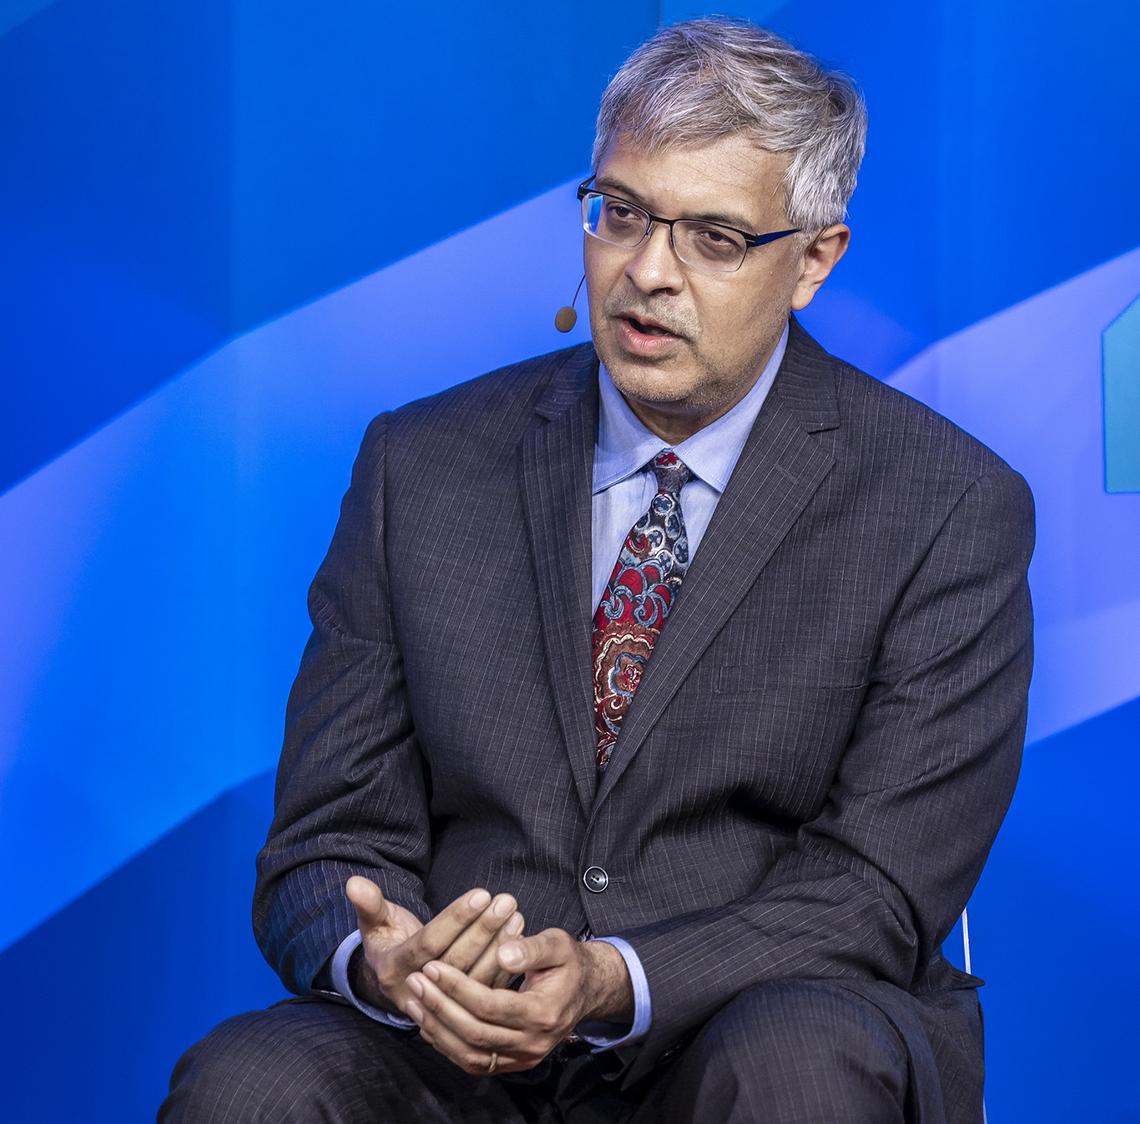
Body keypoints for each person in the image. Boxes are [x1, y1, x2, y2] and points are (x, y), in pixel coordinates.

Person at [162, 17, 1033, 1124]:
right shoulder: (420, 466)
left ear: (814, 259)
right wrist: (387, 959)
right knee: (252, 1083)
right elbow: (322, 843)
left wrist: (613, 976)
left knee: (796, 1064)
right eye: (620, 214)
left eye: (714, 238)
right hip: (459, 1047)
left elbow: (876, 891)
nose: (647, 272)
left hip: (749, 1021)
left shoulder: (944, 503)